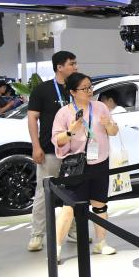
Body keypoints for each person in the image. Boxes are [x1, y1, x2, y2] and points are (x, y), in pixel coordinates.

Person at [51, 72, 120, 260]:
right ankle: (55, 249)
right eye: (84, 88)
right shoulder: (64, 113)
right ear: (73, 92)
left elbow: (114, 131)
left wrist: (109, 125)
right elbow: (57, 140)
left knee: (100, 204)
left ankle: (101, 243)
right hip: (76, 165)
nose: (89, 91)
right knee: (69, 207)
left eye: (90, 87)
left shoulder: (100, 107)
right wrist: (70, 131)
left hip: (100, 161)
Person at [26, 50, 78, 252]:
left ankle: (73, 230)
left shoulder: (77, 89)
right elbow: (32, 118)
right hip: (50, 150)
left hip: (75, 151)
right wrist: (36, 146)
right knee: (43, 193)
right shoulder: (42, 90)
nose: (75, 67)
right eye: (71, 64)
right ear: (59, 67)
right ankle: (37, 234)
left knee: (73, 192)